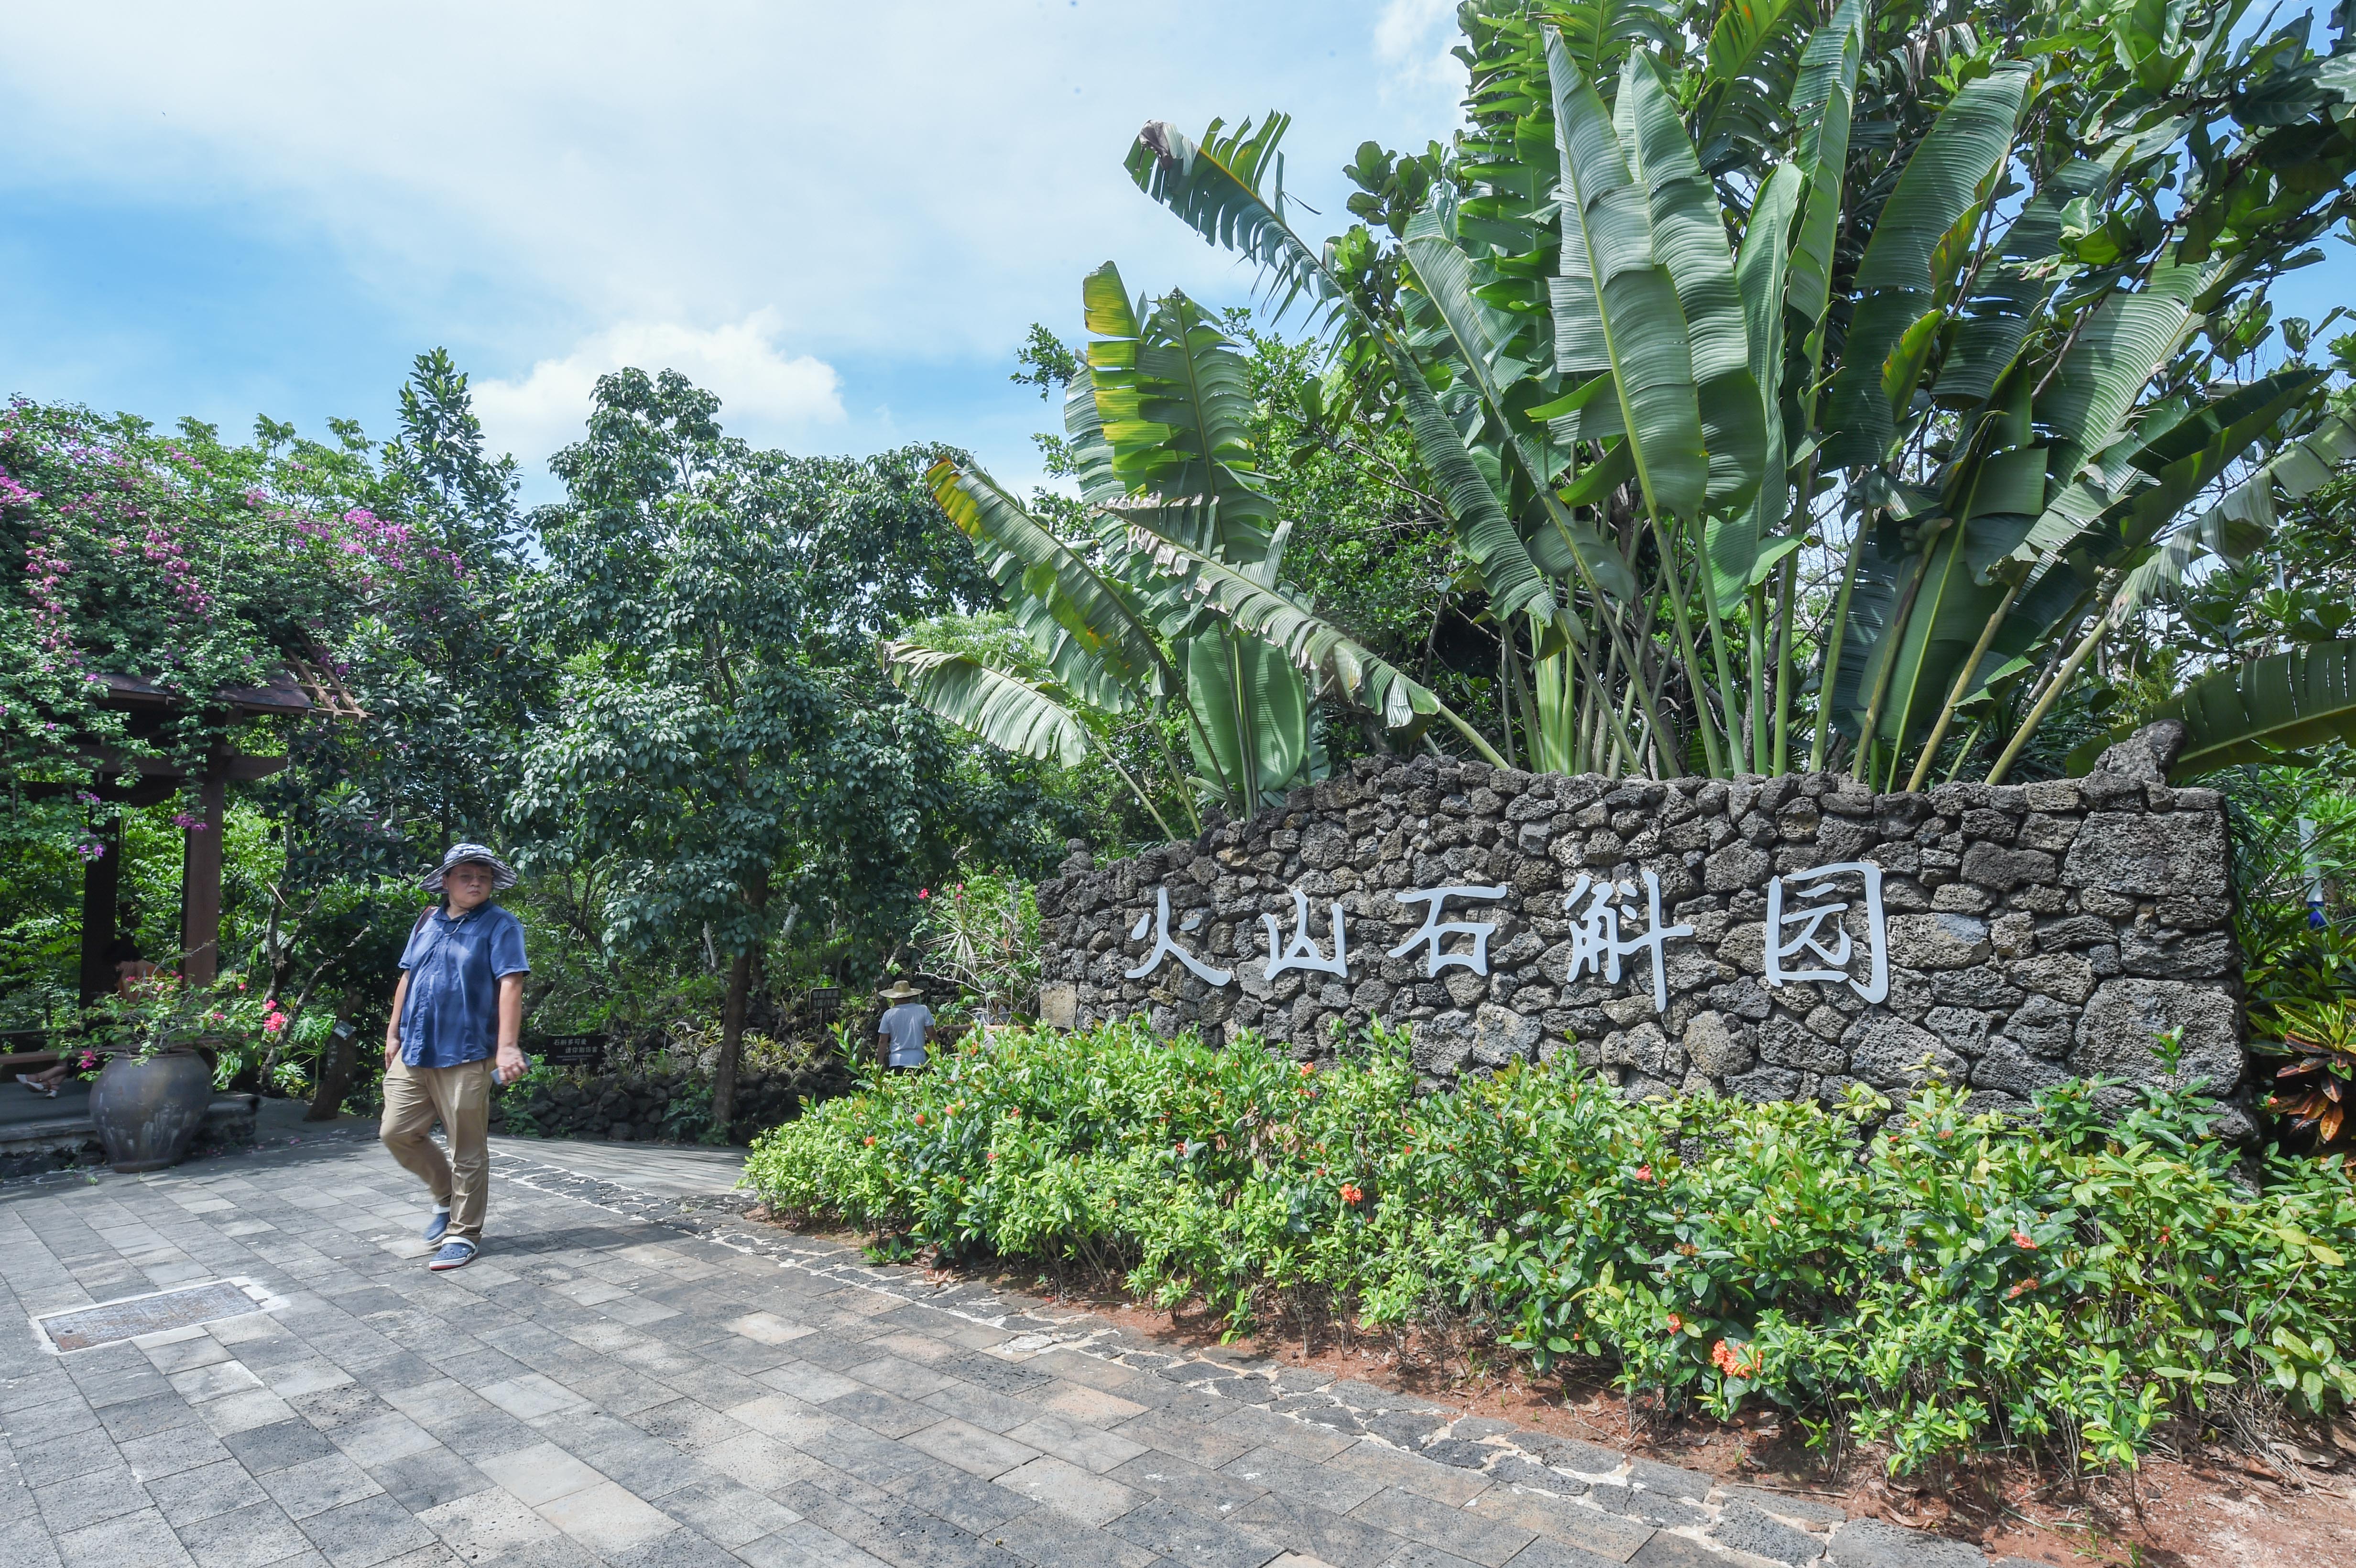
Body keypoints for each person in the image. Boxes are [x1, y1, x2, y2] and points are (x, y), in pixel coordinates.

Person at [381, 843, 529, 1272]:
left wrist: (507, 1047)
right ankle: (446, 1198)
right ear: (446, 881)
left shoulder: (501, 925)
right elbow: (407, 977)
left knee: (467, 1148)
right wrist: (393, 1034)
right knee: (396, 1132)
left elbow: (511, 984)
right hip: (416, 1049)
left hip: (467, 1052)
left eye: (483, 876)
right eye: (465, 875)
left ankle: (464, 1234)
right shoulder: (427, 920)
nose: (476, 882)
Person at [20, 936, 160, 1098]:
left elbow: (143, 1007)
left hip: (144, 1027)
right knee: (90, 1029)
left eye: (118, 964)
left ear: (128, 959)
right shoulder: (123, 976)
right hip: (126, 1023)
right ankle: (54, 1082)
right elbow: (124, 1005)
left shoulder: (153, 972)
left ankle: (50, 1078)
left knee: (95, 1031)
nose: (116, 968)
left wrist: (127, 984)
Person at [875, 980, 935, 1072]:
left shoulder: (889, 1014)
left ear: (893, 998)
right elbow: (932, 1035)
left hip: (897, 1062)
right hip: (918, 1061)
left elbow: (883, 1041)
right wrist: (935, 1057)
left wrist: (880, 1061)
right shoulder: (923, 1010)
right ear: (910, 996)